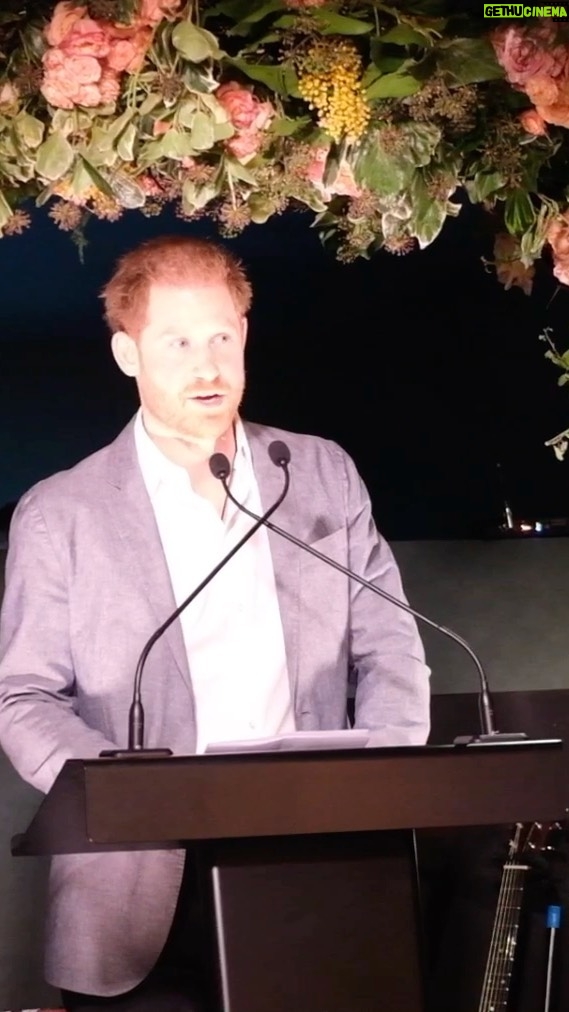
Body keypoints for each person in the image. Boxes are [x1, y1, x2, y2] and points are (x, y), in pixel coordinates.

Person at [0, 235, 430, 1011]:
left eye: (221, 337)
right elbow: (23, 698)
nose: (206, 365)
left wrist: (384, 780)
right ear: (127, 354)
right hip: (136, 881)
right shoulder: (59, 512)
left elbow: (390, 644)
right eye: (177, 342)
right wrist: (124, 790)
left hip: (316, 857)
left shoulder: (320, 471)